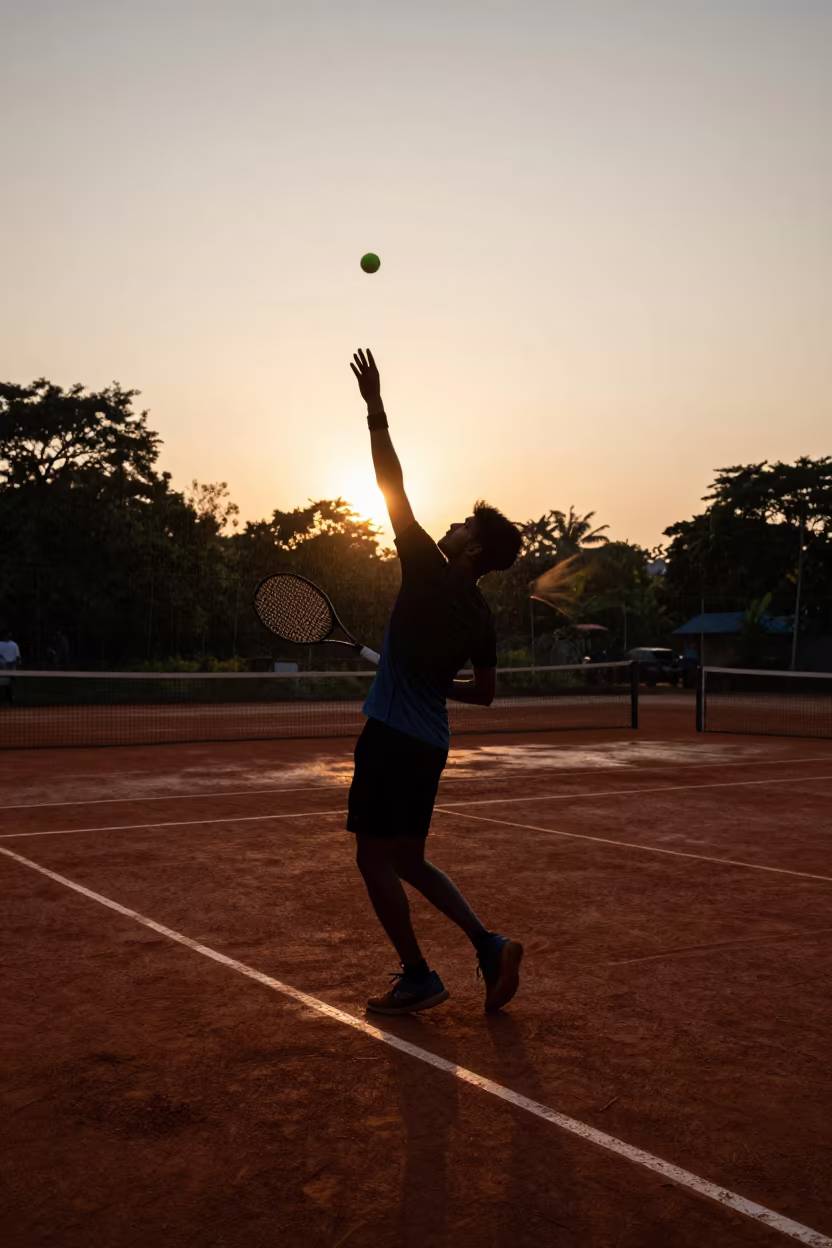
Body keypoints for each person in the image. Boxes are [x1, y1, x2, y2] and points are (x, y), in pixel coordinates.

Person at [348, 348, 525, 1016]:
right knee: (411, 860)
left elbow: (389, 481)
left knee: (374, 858)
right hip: (429, 746)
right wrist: (425, 682)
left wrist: (375, 408)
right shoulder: (481, 616)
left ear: (473, 548)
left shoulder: (425, 568)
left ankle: (419, 974)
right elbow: (483, 695)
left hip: (392, 738)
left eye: (464, 525)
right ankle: (487, 944)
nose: (452, 524)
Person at [0, 627, 21, 705]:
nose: (7, 636)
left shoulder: (14, 644)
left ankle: (11, 700)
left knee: (11, 686)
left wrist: (13, 663)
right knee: (2, 686)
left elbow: (18, 657)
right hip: (2, 670)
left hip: (12, 670)